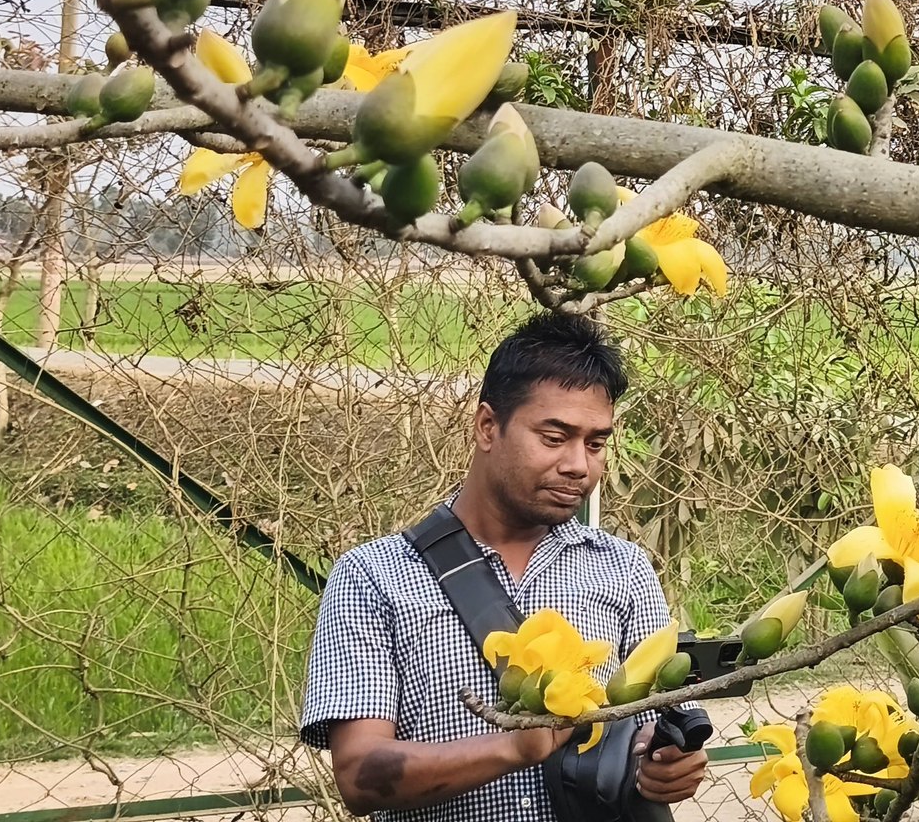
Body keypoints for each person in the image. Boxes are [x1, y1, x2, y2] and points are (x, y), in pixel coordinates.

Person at [300, 310, 709, 819]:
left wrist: (664, 760)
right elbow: (360, 775)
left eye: (596, 443)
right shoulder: (374, 577)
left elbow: (653, 719)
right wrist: (512, 749)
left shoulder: (622, 568)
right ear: (488, 426)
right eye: (554, 437)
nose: (579, 464)